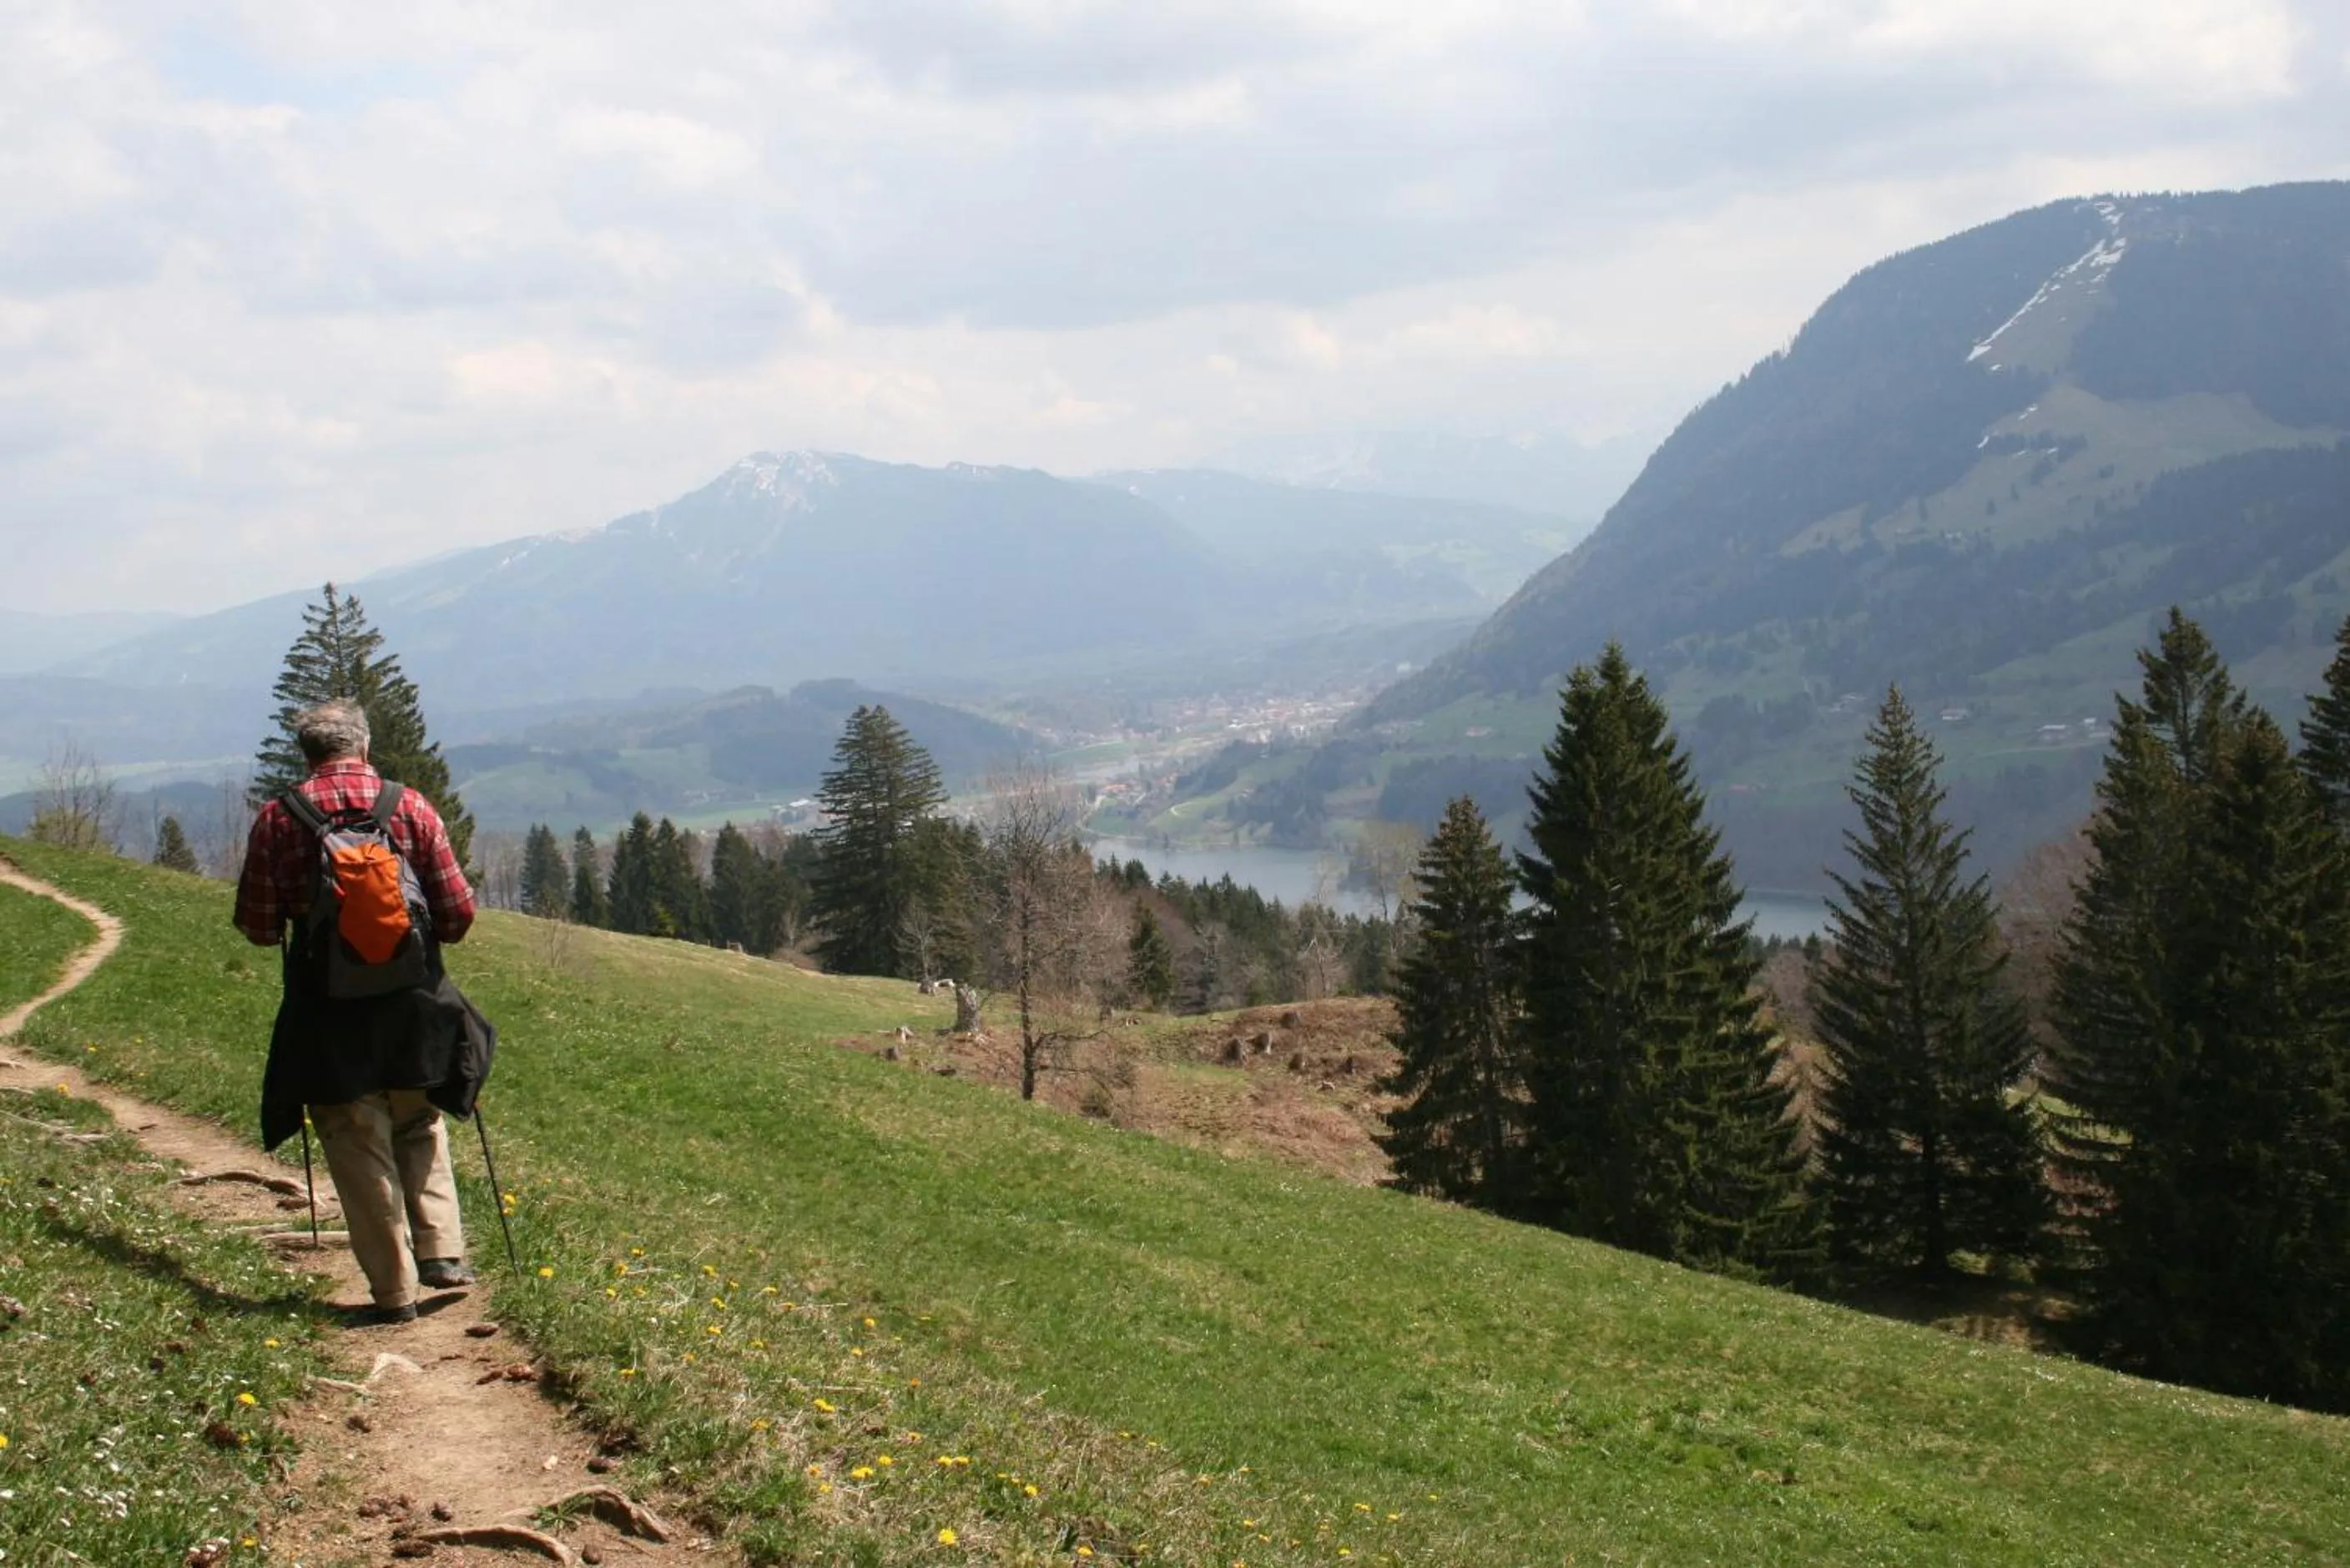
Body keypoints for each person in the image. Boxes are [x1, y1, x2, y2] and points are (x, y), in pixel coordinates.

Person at [234, 699, 479, 1324]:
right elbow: (457, 915)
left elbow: (259, 927)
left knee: (352, 1134)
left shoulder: (278, 819)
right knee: (418, 1119)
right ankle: (444, 1252)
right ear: (364, 747)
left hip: (328, 1013)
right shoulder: (410, 805)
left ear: (307, 753)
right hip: (414, 1006)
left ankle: (394, 1292)